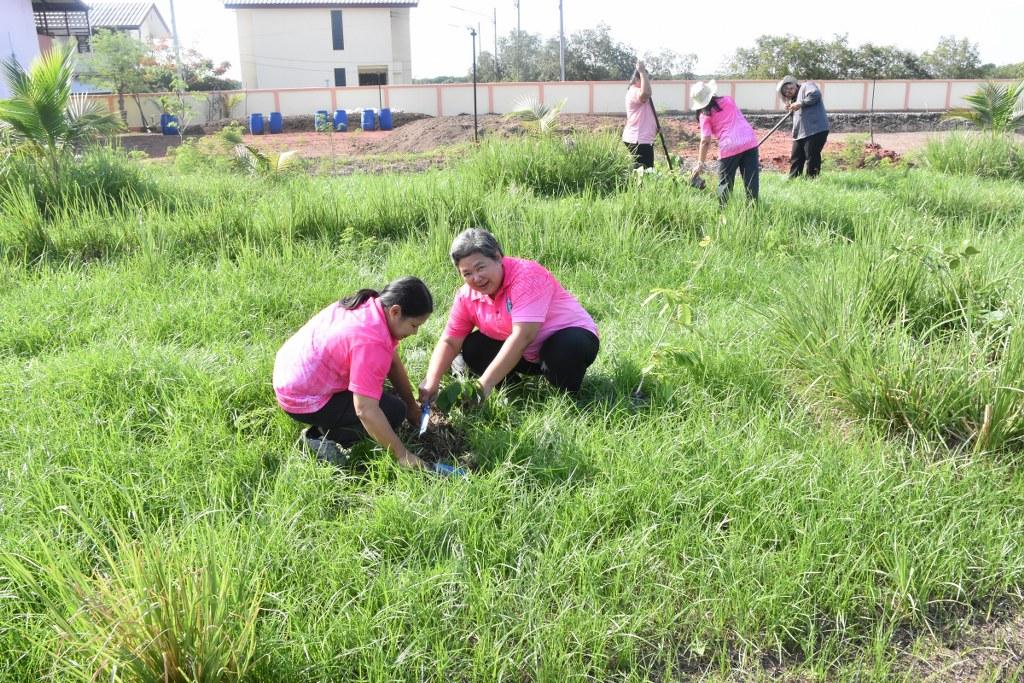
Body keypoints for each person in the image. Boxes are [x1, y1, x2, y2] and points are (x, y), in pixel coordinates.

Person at [418, 228, 600, 406]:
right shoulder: (467, 296)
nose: (476, 278)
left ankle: (567, 397)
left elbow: (523, 336)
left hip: (568, 340)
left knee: (565, 349)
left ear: (498, 257)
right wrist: (432, 380)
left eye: (480, 267)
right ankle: (516, 393)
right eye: (467, 273)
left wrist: (483, 385)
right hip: (525, 354)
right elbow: (450, 341)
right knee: (473, 346)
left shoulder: (527, 277)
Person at [273, 276, 432, 471]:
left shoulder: (370, 306)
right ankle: (319, 437)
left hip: (291, 373)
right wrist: (402, 455)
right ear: (395, 311)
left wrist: (411, 405)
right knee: (394, 412)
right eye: (414, 325)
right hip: (302, 398)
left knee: (394, 402)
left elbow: (391, 361)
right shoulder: (372, 341)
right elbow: (365, 410)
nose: (415, 333)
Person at [689, 80, 760, 205]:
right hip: (749, 141)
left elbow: (705, 140)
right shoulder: (728, 100)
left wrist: (700, 163)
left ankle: (723, 212)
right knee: (751, 181)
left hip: (729, 146)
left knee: (725, 184)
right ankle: (753, 211)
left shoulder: (705, 115)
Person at [777, 75, 830, 178]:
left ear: (794, 84)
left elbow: (816, 94)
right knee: (796, 157)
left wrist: (800, 103)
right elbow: (797, 118)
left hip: (815, 129)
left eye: (789, 87)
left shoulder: (806, 86)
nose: (788, 90)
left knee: (811, 156)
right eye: (786, 91)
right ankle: (793, 179)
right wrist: (791, 110)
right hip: (800, 133)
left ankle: (812, 180)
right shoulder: (793, 101)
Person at [622, 60, 656, 169]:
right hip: (638, 140)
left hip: (642, 139)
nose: (647, 82)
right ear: (637, 79)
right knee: (645, 173)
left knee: (643, 173)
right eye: (644, 79)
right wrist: (642, 71)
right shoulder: (634, 91)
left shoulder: (636, 92)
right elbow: (646, 93)